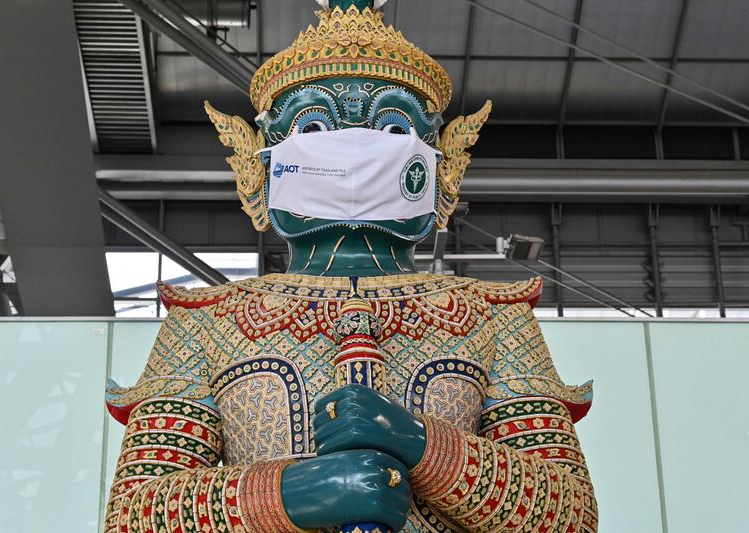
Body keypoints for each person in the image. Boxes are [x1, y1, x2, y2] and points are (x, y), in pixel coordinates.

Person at [104, 1, 598, 531]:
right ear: (259, 171)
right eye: (313, 128)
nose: (356, 152)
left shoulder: (493, 317)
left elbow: (568, 513)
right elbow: (133, 515)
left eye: (392, 129)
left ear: (442, 172)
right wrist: (293, 494)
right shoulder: (206, 322)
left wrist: (419, 442)